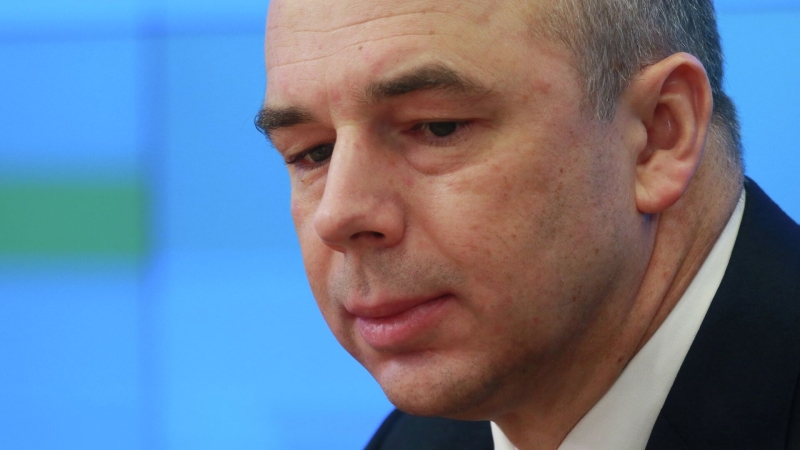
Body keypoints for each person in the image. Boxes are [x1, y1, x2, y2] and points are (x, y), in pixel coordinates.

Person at [256, 0, 800, 448]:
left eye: (437, 127)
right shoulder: (414, 440)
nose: (337, 215)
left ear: (659, 136)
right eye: (312, 153)